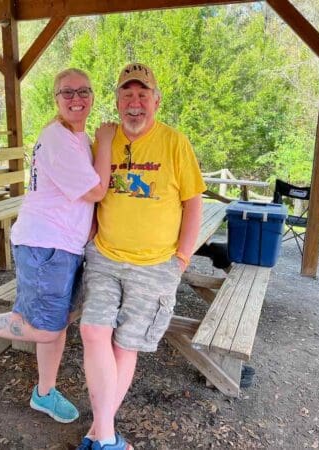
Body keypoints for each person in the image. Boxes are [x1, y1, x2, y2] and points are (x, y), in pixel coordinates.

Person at [0, 68, 115, 425]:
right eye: (67, 92)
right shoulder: (59, 138)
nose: (77, 98)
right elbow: (95, 191)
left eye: (84, 91)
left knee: (58, 323)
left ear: (92, 95)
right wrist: (106, 141)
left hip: (68, 246)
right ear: (56, 99)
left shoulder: (77, 138)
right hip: (44, 245)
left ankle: (44, 393)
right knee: (43, 328)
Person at [77, 63, 207, 450]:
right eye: (127, 95)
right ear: (116, 100)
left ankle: (100, 432)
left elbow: (193, 202)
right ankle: (105, 435)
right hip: (104, 256)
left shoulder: (175, 142)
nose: (135, 103)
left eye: (142, 95)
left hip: (155, 264)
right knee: (92, 330)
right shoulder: (104, 139)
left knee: (125, 344)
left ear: (156, 100)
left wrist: (181, 258)